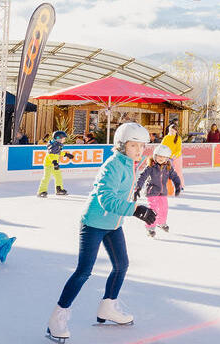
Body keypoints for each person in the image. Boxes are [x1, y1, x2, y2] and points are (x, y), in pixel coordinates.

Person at [47, 122, 156, 341]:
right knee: (84, 271)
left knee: (121, 265)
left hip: (113, 225)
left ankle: (108, 307)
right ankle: (56, 319)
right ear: (122, 145)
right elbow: (106, 199)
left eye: (142, 146)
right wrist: (135, 210)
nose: (139, 150)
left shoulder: (130, 165)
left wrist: (136, 208)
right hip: (94, 222)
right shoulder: (114, 165)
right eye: (134, 146)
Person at [135, 145, 182, 238]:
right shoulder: (150, 167)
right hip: (151, 192)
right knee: (154, 209)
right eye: (159, 156)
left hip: (163, 192)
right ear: (155, 156)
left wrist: (177, 185)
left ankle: (161, 223)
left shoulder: (168, 168)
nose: (161, 158)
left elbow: (175, 176)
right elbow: (142, 177)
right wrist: (138, 187)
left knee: (164, 208)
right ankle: (150, 228)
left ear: (167, 158)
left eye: (164, 157)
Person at [38, 131, 74, 198]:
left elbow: (58, 153)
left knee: (58, 177)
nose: (64, 140)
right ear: (58, 138)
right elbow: (51, 155)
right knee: (46, 177)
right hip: (49, 164)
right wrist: (54, 162)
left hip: (55, 164)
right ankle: (41, 191)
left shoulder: (58, 145)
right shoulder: (53, 146)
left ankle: (59, 189)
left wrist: (66, 154)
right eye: (63, 138)